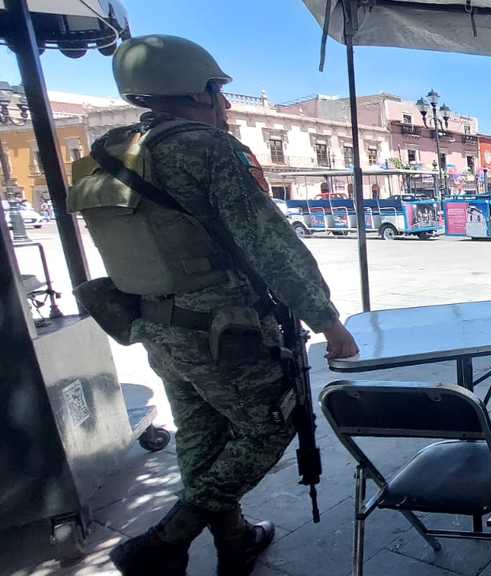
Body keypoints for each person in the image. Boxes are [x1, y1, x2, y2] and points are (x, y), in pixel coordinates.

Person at [67, 35, 359, 576]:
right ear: (195, 90)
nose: (225, 105)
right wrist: (326, 319)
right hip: (221, 333)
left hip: (156, 327)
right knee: (272, 426)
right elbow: (268, 242)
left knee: (201, 438)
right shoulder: (208, 149)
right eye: (218, 92)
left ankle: (234, 542)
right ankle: (164, 541)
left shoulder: (108, 153)